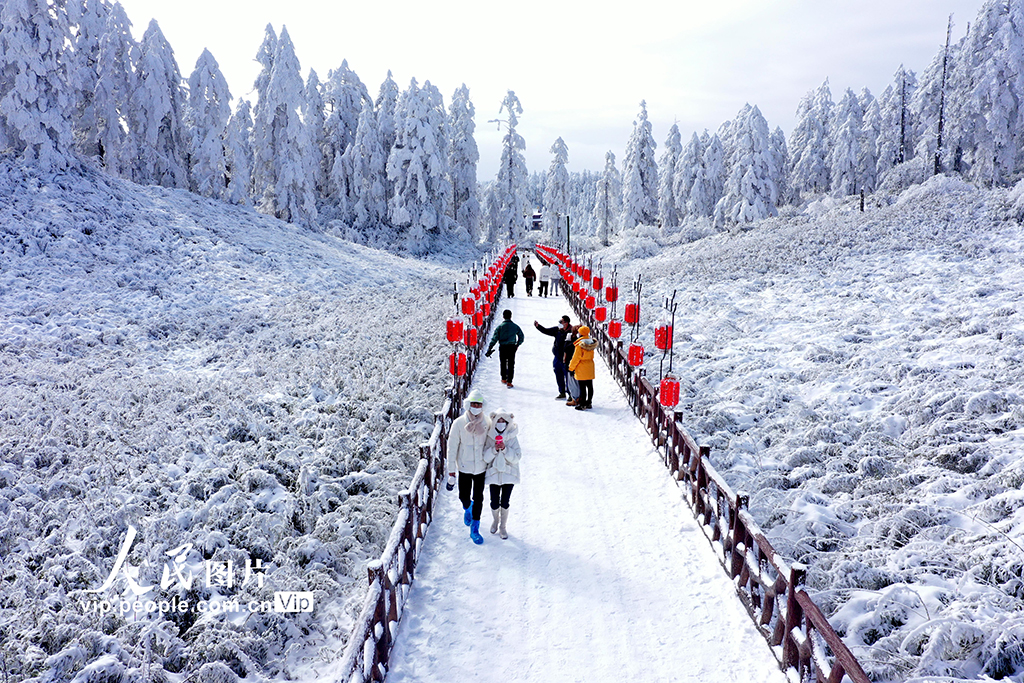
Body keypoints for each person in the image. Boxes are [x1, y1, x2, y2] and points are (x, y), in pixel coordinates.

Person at [447, 388, 490, 544]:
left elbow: (490, 443)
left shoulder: (487, 423)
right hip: (464, 467)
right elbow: (452, 448)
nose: (476, 407)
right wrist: (451, 472)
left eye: (479, 404)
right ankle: (468, 506)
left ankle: (475, 527)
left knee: (479, 497)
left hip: (480, 467)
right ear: (468, 404)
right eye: (474, 404)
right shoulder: (459, 423)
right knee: (463, 495)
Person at [483, 408, 521, 539]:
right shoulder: (489, 437)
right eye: (498, 420)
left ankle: (503, 526)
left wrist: (505, 450)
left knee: (505, 502)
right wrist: (494, 450)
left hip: (508, 474)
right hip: (494, 474)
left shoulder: (512, 437)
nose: (500, 423)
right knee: (494, 502)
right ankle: (495, 520)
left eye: (503, 421)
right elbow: (485, 457)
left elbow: (517, 457)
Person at [533, 315, 572, 399]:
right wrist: (538, 326)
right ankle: (562, 392)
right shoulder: (557, 330)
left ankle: (570, 394)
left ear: (566, 323)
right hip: (557, 357)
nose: (559, 323)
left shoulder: (571, 332)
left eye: (561, 322)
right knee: (558, 374)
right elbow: (547, 331)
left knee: (568, 376)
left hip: (566, 358)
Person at [486, 310, 525, 387]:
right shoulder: (515, 326)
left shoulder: (500, 327)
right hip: (512, 347)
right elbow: (521, 337)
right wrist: (517, 345)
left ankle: (504, 378)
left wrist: (490, 348)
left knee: (503, 363)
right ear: (511, 316)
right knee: (511, 364)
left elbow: (494, 339)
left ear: (503, 316)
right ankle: (509, 381)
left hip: (503, 347)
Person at [568, 325, 598, 410]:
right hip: (590, 366)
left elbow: (575, 358)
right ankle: (589, 402)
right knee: (590, 386)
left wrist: (571, 368)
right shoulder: (591, 342)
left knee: (582, 387)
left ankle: (582, 404)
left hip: (581, 367)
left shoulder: (580, 345)